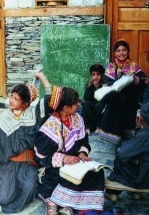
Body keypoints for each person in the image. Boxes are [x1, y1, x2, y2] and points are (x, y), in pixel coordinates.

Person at [0, 72, 52, 213]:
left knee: (29, 188)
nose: (11, 100)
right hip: (9, 165)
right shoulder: (4, 119)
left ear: (25, 103)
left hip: (27, 165)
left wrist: (42, 78)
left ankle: (19, 185)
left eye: (16, 99)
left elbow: (49, 99)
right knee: (3, 198)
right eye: (11, 96)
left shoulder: (33, 115)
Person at [34, 86, 105, 215]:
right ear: (65, 108)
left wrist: (82, 153)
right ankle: (55, 201)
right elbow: (41, 155)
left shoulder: (77, 118)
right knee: (71, 178)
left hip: (75, 162)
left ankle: (70, 203)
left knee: (96, 172)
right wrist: (64, 159)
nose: (78, 105)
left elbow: (84, 141)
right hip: (56, 168)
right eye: (75, 104)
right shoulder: (50, 126)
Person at [107, 100, 149, 192]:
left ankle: (112, 193)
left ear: (141, 119)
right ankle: (134, 194)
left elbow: (122, 154)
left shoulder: (144, 134)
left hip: (143, 181)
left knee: (119, 160)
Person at [99, 40, 149, 145]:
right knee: (114, 128)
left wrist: (135, 80)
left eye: (124, 50)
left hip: (129, 103)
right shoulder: (111, 67)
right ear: (114, 53)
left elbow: (144, 81)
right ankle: (113, 145)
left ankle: (125, 147)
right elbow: (105, 84)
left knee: (127, 134)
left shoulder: (133, 66)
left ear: (128, 51)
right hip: (115, 103)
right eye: (118, 51)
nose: (121, 53)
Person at [82, 64, 106, 133]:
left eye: (98, 74)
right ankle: (87, 127)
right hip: (91, 105)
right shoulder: (89, 84)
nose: (96, 77)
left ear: (102, 75)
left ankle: (98, 127)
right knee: (86, 104)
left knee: (101, 105)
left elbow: (103, 98)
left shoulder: (104, 84)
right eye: (93, 74)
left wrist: (101, 87)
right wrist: (88, 88)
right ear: (91, 75)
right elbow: (86, 98)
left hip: (100, 104)